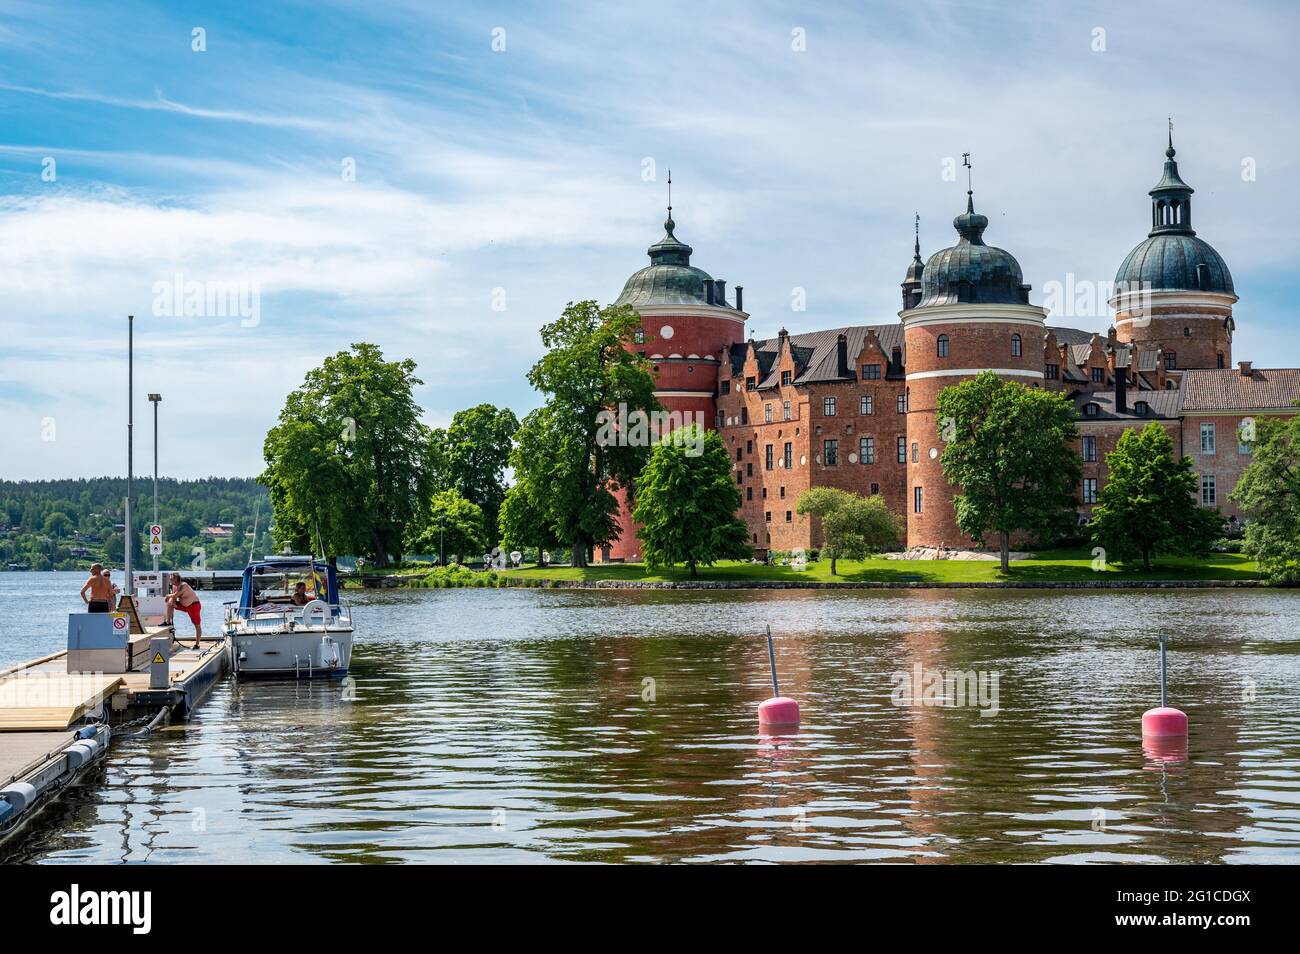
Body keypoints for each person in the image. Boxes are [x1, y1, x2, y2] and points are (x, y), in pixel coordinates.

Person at [164, 572, 203, 648]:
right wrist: (170, 600)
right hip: (184, 605)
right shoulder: (174, 586)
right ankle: (168, 622)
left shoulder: (183, 585)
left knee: (196, 624)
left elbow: (175, 595)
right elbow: (173, 596)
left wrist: (168, 596)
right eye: (169, 579)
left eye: (171, 579)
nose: (170, 580)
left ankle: (197, 644)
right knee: (170, 603)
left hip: (193, 605)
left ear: (176, 579)